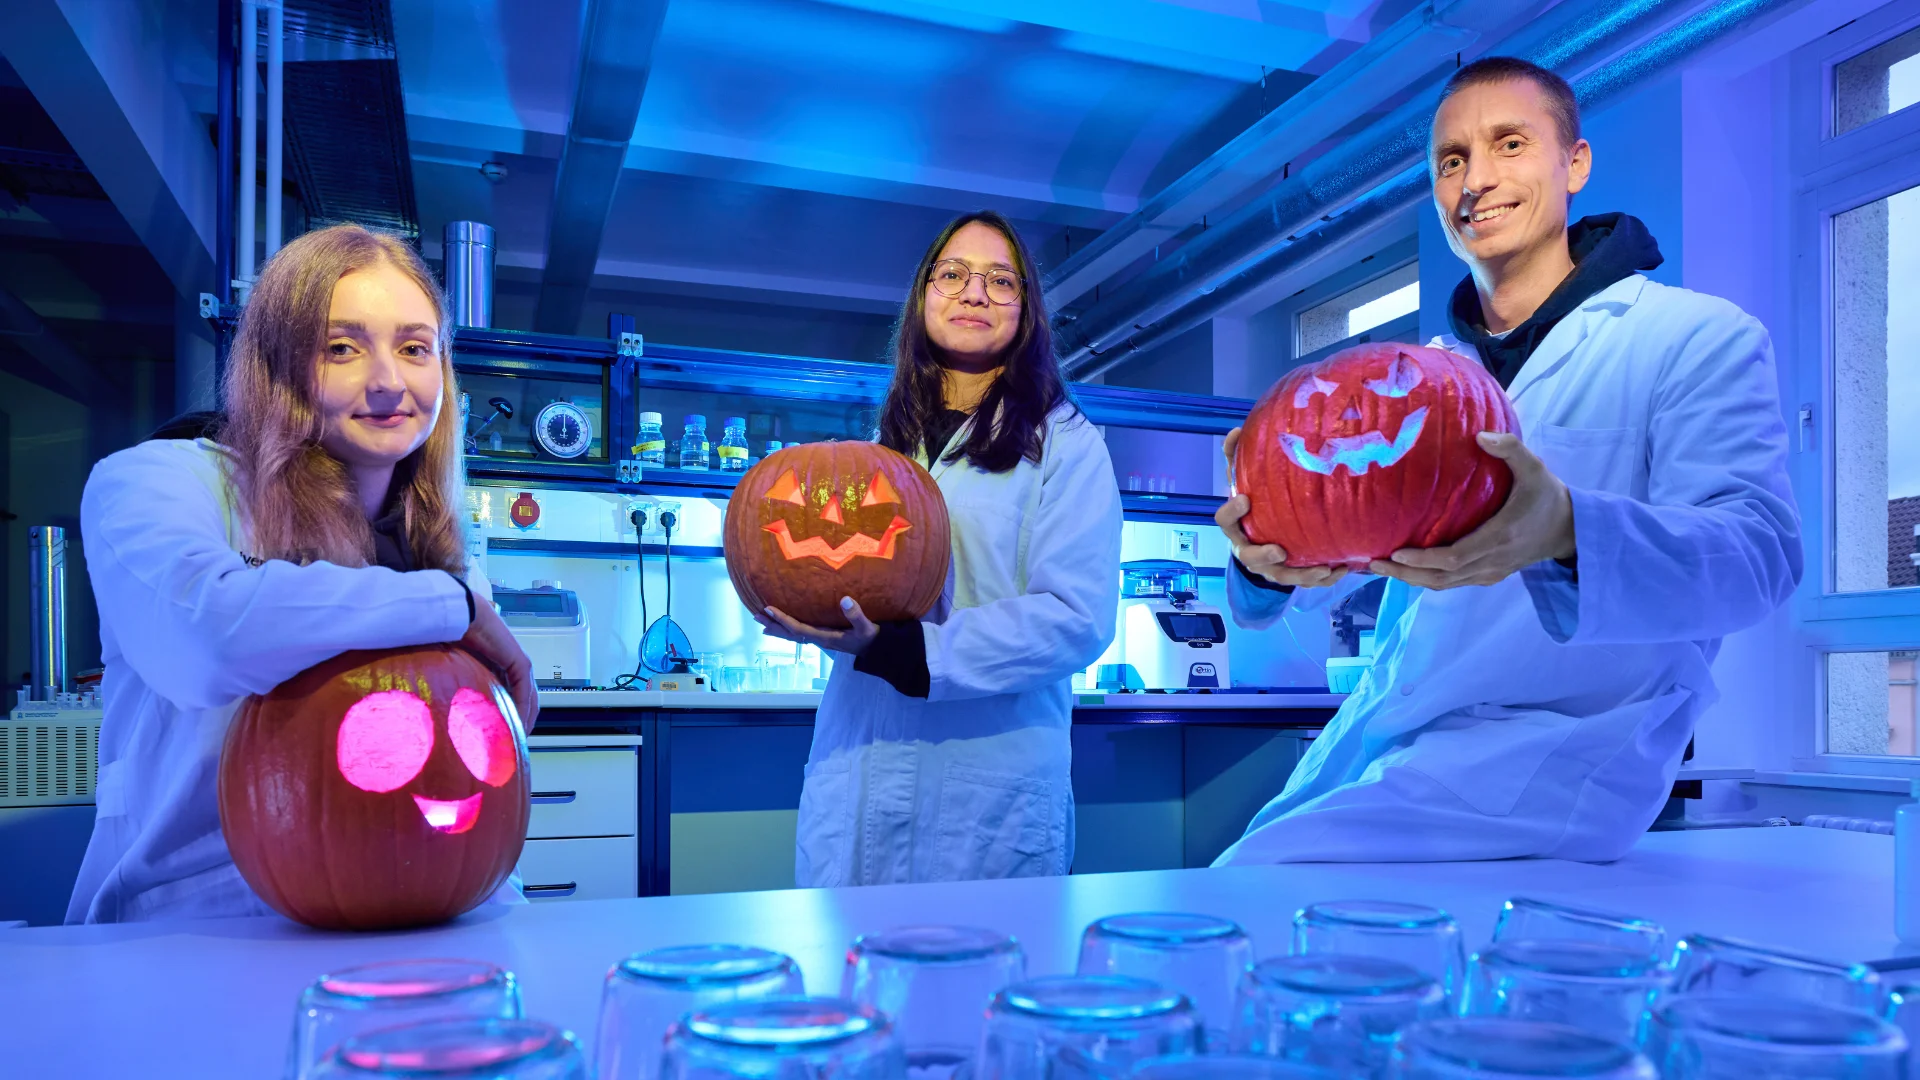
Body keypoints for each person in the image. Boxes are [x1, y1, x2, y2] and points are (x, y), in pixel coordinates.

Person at [1212, 57, 1801, 864]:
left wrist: (1564, 528)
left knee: (1247, 892)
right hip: (1387, 743)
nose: (1476, 181)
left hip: (1548, 759)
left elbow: (1760, 557)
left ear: (1575, 164)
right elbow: (1299, 582)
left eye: (1510, 144)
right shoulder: (1419, 374)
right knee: (1237, 890)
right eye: (1451, 160)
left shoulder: (1694, 337)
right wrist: (1267, 552)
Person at [67, 224, 539, 923]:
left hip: (423, 914)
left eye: (415, 348)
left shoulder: (441, 549)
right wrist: (452, 606)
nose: (388, 382)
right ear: (277, 363)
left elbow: (470, 785)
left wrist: (500, 910)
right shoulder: (153, 480)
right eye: (341, 348)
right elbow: (206, 636)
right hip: (193, 927)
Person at [759, 211, 1123, 886]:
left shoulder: (1067, 444)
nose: (974, 293)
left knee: (980, 951)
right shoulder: (883, 450)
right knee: (851, 950)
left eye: (1000, 280)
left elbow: (1076, 618)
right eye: (953, 274)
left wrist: (907, 652)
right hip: (859, 772)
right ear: (923, 295)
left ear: (1027, 309)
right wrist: (811, 610)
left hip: (986, 787)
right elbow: (847, 577)